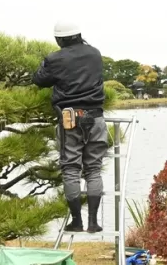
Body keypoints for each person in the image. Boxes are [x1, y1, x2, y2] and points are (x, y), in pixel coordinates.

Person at [33, 21, 107, 233]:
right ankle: (93, 223)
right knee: (93, 169)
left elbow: (39, 80)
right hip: (96, 118)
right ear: (79, 34)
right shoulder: (95, 53)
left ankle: (77, 222)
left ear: (59, 39)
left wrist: (44, 65)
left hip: (70, 120)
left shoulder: (55, 59)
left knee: (71, 169)